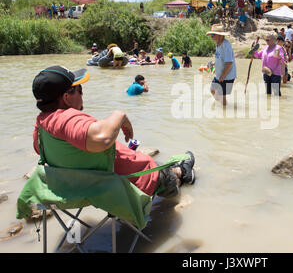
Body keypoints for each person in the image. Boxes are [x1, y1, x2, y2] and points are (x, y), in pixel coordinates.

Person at [32, 66, 196, 200]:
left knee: (159, 165)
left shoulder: (42, 125)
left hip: (90, 185)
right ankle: (182, 172)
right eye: (79, 90)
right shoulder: (66, 118)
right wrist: (120, 115)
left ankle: (177, 169)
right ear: (67, 98)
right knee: (166, 173)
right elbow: (102, 138)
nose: (82, 94)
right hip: (137, 179)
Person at [206, 24, 237, 106]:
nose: (211, 37)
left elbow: (229, 62)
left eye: (213, 35)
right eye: (211, 35)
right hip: (219, 75)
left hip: (227, 76)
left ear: (220, 36)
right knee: (212, 90)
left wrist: (223, 75)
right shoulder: (217, 44)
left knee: (222, 97)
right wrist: (213, 63)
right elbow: (220, 58)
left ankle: (224, 111)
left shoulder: (226, 45)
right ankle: (222, 104)